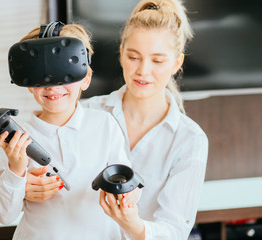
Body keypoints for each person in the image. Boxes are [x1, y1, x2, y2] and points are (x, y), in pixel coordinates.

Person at [0, 22, 135, 240]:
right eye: (41, 75)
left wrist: (124, 194)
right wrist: (17, 173)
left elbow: (128, 185)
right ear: (29, 82)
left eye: (64, 73)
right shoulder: (16, 141)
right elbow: (2, 215)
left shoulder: (104, 125)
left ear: (86, 78)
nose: (51, 85)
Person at [81, 0, 209, 239]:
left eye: (158, 61)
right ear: (120, 54)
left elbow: (174, 231)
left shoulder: (189, 140)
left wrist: (134, 225)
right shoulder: (85, 113)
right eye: (134, 57)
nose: (143, 70)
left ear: (176, 63)